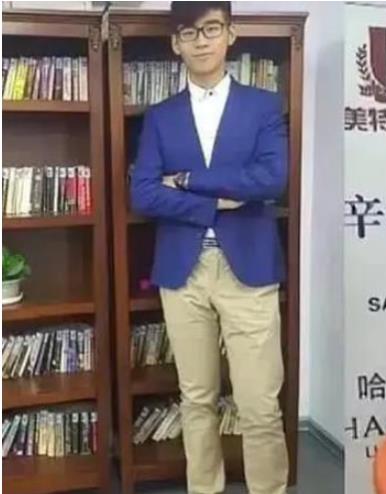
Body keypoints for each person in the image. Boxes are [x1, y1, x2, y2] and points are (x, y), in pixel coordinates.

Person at [130, 2, 288, 493]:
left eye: (211, 28)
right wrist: (216, 201)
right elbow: (143, 193)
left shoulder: (263, 106)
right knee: (196, 399)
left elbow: (271, 180)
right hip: (184, 269)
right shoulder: (160, 117)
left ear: (230, 34)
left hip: (250, 268)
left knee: (259, 404)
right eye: (188, 32)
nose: (201, 40)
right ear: (175, 43)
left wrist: (188, 181)